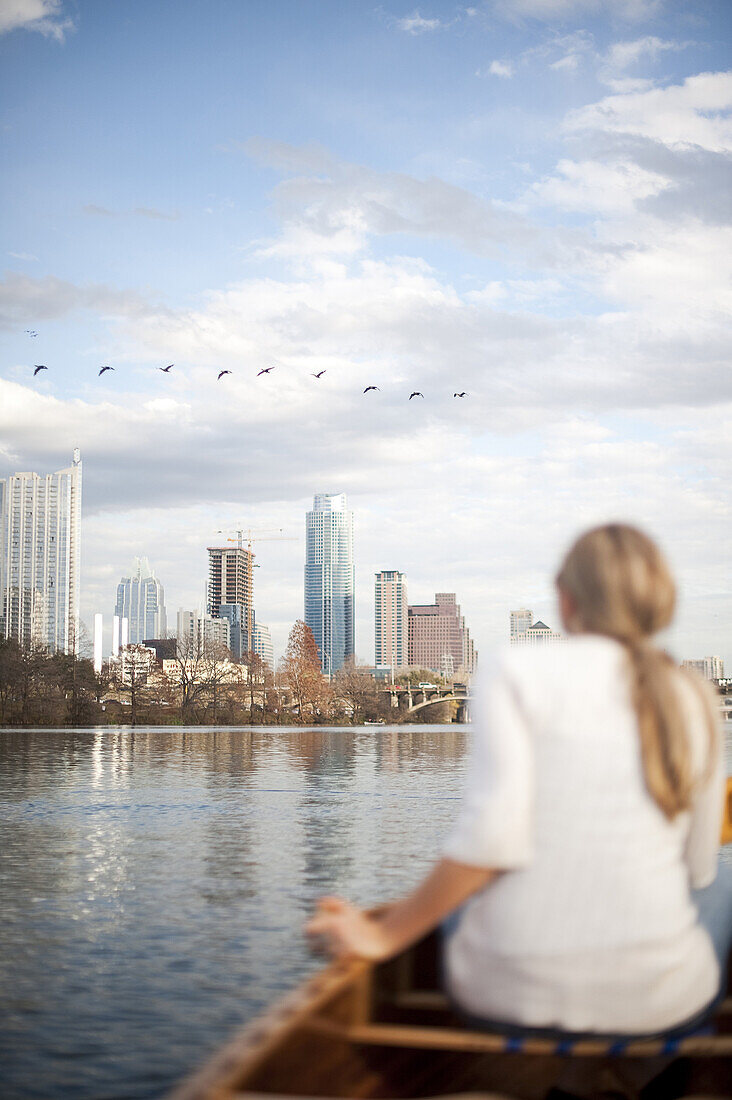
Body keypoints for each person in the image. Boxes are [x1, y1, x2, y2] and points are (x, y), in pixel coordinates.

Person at [306, 523, 731, 1038]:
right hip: (662, 1002)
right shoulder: (696, 696)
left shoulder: (515, 669)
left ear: (565, 598)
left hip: (506, 993)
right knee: (723, 885)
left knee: (464, 908)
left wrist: (384, 937)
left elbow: (491, 839)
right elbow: (698, 866)